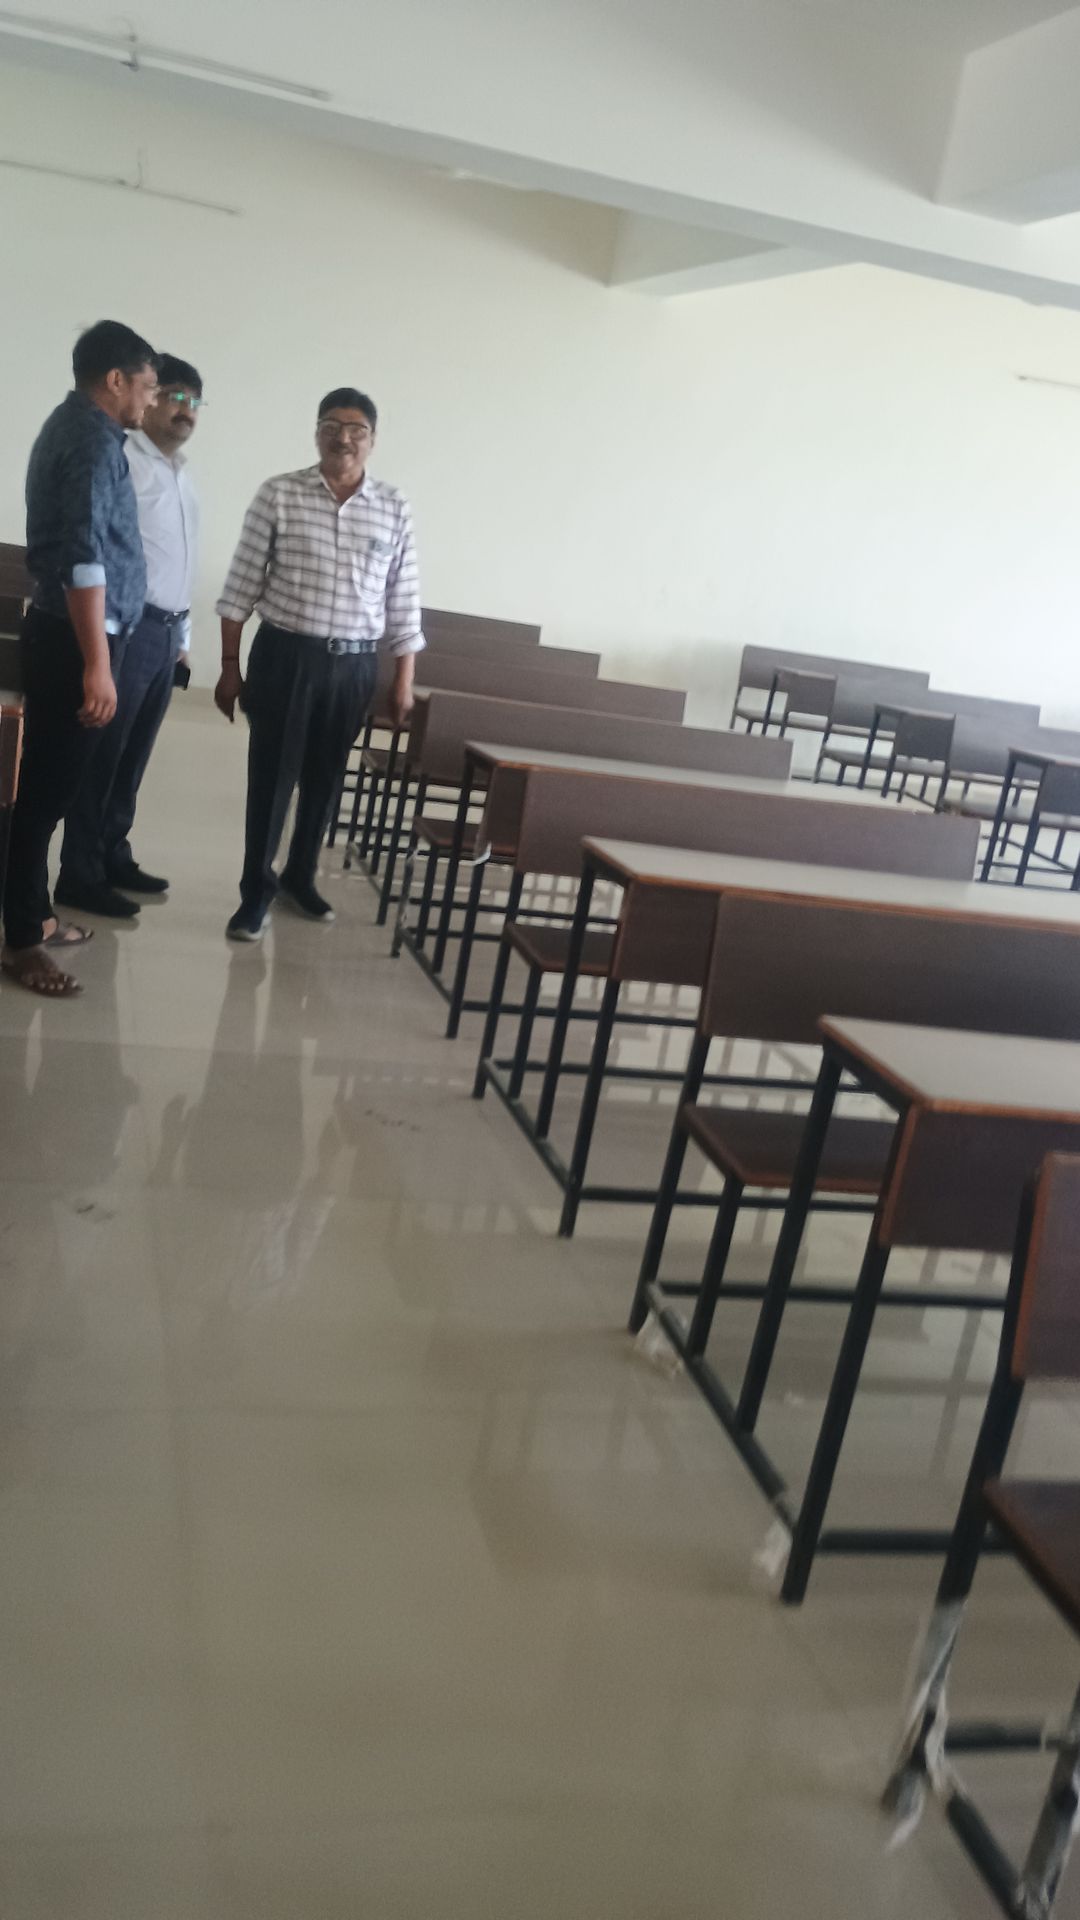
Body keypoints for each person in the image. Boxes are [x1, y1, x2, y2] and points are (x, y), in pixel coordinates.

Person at [214, 387, 423, 943]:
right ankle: (254, 895)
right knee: (272, 778)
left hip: (354, 665)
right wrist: (230, 666)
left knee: (326, 778)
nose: (343, 438)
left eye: (356, 430)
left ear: (372, 440)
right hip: (286, 655)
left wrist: (403, 681)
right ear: (316, 433)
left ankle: (299, 878)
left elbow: (404, 601)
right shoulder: (279, 493)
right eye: (331, 426)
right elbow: (239, 588)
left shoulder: (393, 506)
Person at [1, 320, 159, 998]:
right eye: (148, 386)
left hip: (75, 633)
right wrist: (98, 662)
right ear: (115, 380)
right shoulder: (91, 441)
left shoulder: (81, 430)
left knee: (52, 788)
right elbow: (83, 558)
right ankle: (21, 942)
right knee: (43, 795)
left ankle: (33, 913)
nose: (151, 400)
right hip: (75, 639)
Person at [57, 353, 203, 917]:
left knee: (133, 757)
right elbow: (97, 548)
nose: (185, 410)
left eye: (195, 401)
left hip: (164, 635)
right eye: (175, 395)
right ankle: (80, 874)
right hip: (129, 625)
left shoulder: (181, 476)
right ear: (150, 395)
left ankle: (113, 854)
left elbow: (179, 563)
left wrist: (183, 638)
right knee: (104, 755)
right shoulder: (124, 460)